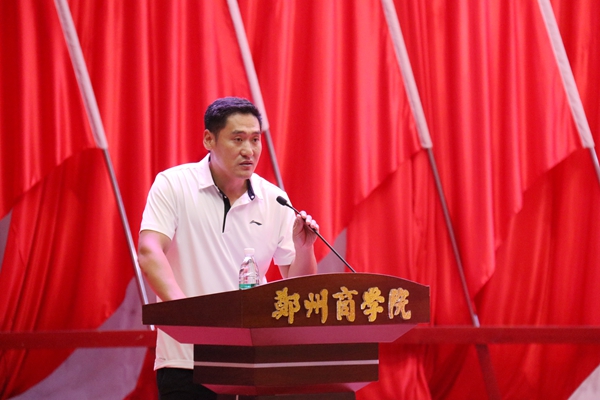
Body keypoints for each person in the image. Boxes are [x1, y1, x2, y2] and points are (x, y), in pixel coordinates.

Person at [137, 97, 319, 399]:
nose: (249, 150)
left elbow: (297, 287)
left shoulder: (275, 199)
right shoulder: (174, 184)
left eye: (255, 139)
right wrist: (186, 314)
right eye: (237, 139)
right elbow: (149, 251)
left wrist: (304, 249)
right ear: (209, 139)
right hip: (187, 361)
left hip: (253, 362)